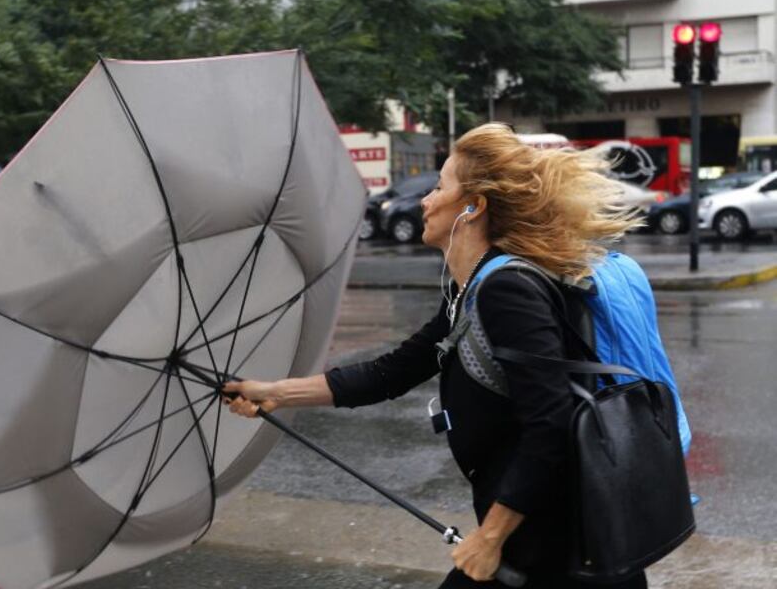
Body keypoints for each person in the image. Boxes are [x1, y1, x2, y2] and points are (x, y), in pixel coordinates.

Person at [223, 123, 646, 588]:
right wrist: (275, 394)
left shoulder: (507, 291)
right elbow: (392, 372)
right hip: (537, 544)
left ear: (473, 205)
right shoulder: (476, 291)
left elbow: (551, 424)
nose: (425, 200)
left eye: (439, 186)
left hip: (560, 554)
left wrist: (489, 537)